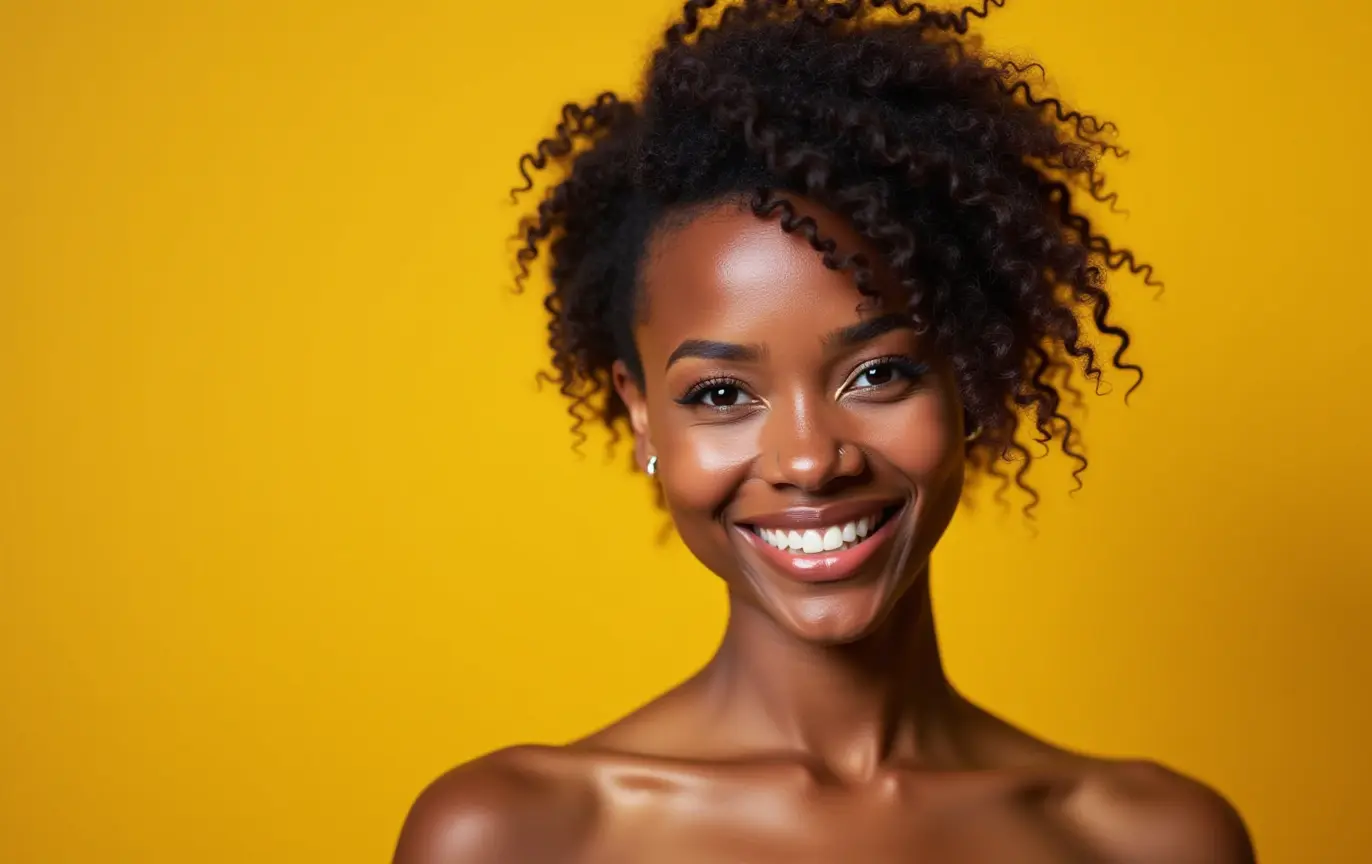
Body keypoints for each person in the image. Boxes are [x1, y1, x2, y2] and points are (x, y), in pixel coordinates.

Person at [393, 1, 1256, 861]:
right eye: (722, 393)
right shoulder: (512, 837)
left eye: (878, 375)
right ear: (642, 415)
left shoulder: (1151, 842)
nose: (809, 460)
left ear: (969, 379)